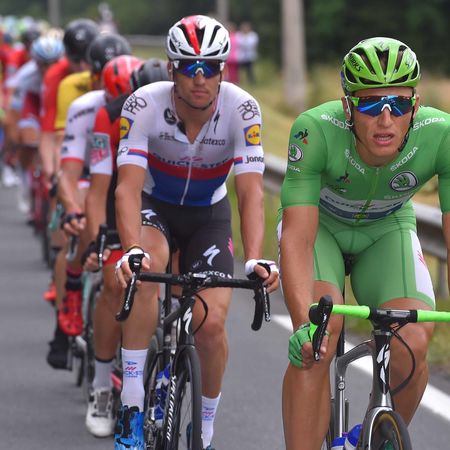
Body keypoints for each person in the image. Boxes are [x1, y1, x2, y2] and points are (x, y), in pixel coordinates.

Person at [113, 14, 279, 450]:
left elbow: (250, 193)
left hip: (209, 216)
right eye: (190, 67)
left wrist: (254, 257)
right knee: (145, 272)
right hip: (156, 208)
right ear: (172, 68)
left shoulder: (243, 109)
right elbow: (127, 188)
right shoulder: (143, 104)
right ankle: (131, 407)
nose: (200, 77)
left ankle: (203, 431)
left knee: (211, 323)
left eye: (211, 67)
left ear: (224, 69)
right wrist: (130, 249)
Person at [278, 37, 450, 450]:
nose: (386, 119)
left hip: (386, 231)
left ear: (416, 104)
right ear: (348, 106)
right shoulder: (315, 129)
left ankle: (372, 438)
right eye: (371, 105)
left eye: (399, 104)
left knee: (414, 339)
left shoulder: (441, 135)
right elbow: (297, 237)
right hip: (320, 229)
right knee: (319, 339)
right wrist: (303, 325)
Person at [83, 56, 167, 438]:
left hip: (164, 204)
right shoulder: (111, 115)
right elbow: (100, 187)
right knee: (113, 284)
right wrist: (97, 238)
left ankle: (169, 366)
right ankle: (101, 385)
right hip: (120, 197)